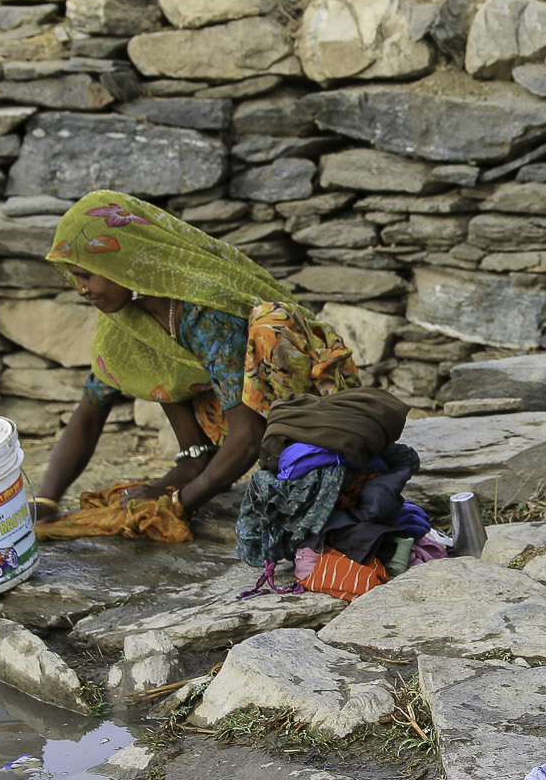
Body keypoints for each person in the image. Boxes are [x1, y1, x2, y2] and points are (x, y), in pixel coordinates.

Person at [32, 191, 362, 529]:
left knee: (268, 329)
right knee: (145, 360)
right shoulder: (126, 321)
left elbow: (247, 437)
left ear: (118, 263)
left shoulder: (204, 311)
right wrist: (47, 500)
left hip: (306, 415)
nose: (80, 289)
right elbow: (88, 415)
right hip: (240, 428)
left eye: (86, 275)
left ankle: (307, 465)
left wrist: (176, 506)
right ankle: (195, 459)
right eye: (75, 277)